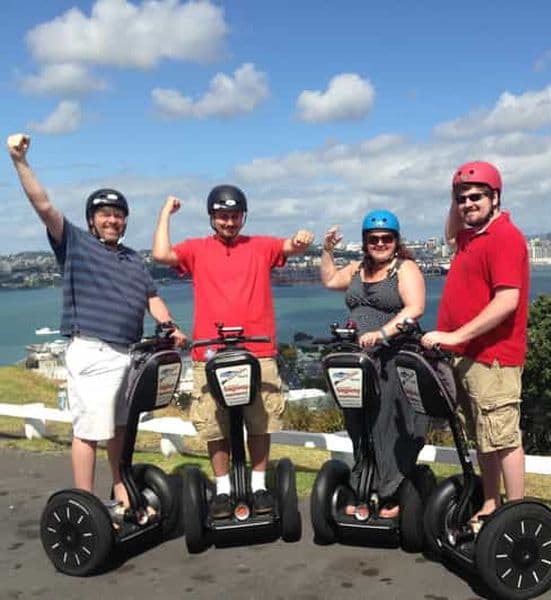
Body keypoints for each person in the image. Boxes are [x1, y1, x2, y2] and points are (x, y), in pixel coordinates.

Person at [6, 132, 186, 513]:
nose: (112, 220)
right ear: (92, 220)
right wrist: (20, 161)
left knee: (120, 429)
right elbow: (44, 205)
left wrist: (171, 326)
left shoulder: (133, 261)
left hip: (128, 355)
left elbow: (151, 297)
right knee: (90, 430)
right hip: (91, 349)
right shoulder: (74, 242)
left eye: (117, 215)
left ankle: (121, 492)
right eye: (104, 214)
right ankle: (85, 505)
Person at [152, 186, 313, 518]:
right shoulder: (197, 249)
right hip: (210, 353)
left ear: (243, 216)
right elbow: (160, 255)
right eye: (222, 216)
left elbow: (289, 247)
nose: (229, 222)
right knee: (215, 425)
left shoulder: (259, 246)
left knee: (260, 421)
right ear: (212, 217)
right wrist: (166, 212)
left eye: (234, 215)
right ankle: (223, 489)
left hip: (257, 350)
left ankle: (258, 485)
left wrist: (300, 240)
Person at [421, 161, 529, 529]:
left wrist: (455, 336)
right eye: (462, 198)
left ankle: (516, 514)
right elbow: (452, 232)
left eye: (476, 196)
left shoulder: (504, 237)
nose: (468, 203)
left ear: (495, 197)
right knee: (483, 436)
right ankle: (490, 502)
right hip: (467, 357)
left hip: (493, 359)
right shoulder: (472, 236)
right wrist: (455, 195)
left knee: (503, 437)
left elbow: (507, 300)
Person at [319, 210, 427, 519]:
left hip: (392, 356)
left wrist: (382, 333)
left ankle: (391, 491)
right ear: (366, 242)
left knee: (385, 424)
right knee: (357, 423)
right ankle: (362, 485)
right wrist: (328, 250)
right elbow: (329, 280)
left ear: (396, 240)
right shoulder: (357, 269)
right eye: (373, 239)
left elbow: (415, 308)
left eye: (386, 238)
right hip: (359, 361)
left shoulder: (404, 269)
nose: (380, 243)